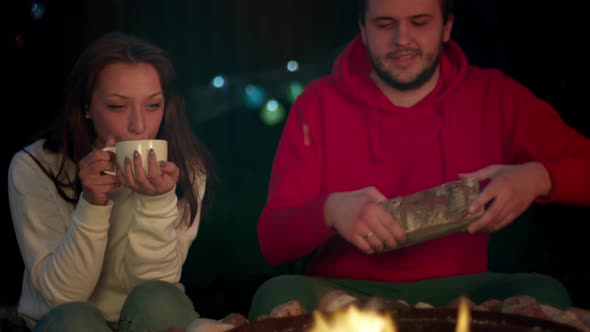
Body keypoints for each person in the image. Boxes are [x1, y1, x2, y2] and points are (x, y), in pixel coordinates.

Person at [249, 0, 590, 320]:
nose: (402, 39)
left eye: (420, 22)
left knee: (546, 291)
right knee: (276, 293)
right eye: (385, 24)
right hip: (344, 290)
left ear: (447, 27)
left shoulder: (494, 95)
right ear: (363, 29)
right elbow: (272, 240)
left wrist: (538, 177)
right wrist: (330, 210)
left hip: (463, 288)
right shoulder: (318, 103)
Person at [8, 32, 211, 331]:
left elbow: (156, 293)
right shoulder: (35, 166)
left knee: (160, 301)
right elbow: (64, 299)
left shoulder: (184, 170)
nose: (139, 126)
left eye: (153, 105)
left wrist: (155, 202)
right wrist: (91, 202)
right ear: (87, 107)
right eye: (118, 106)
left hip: (150, 318)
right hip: (64, 321)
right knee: (74, 319)